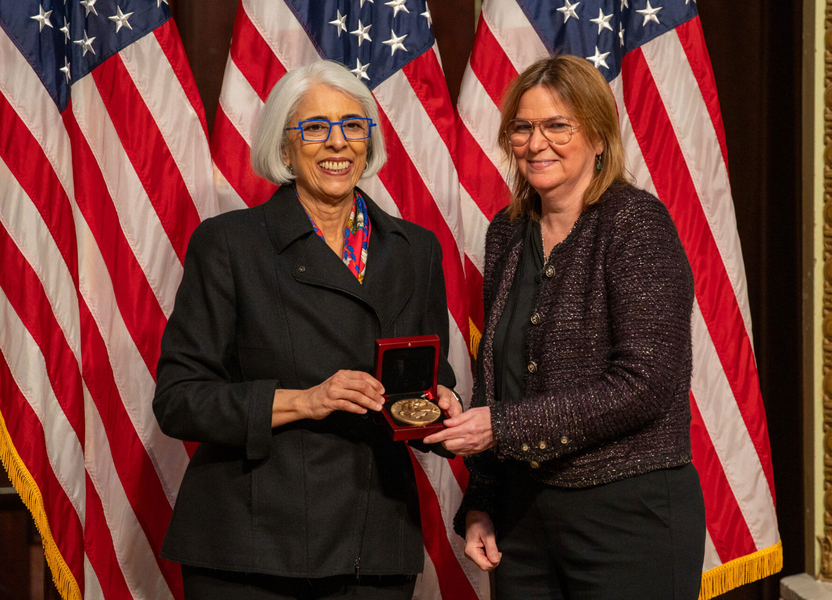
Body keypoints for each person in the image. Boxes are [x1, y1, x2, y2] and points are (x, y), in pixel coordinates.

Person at [153, 60, 461, 600]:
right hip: (250, 546)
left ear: (370, 141)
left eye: (353, 125)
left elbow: (428, 374)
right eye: (315, 127)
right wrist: (308, 400)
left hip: (374, 540)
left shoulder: (417, 250)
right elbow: (180, 401)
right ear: (285, 146)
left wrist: (445, 402)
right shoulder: (229, 245)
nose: (336, 143)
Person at [424, 55, 706, 599]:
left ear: (599, 138)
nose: (536, 143)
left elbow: (645, 384)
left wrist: (501, 427)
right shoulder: (505, 233)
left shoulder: (635, 222)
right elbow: (496, 381)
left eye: (557, 126)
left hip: (630, 515)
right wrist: (483, 497)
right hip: (523, 517)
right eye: (523, 127)